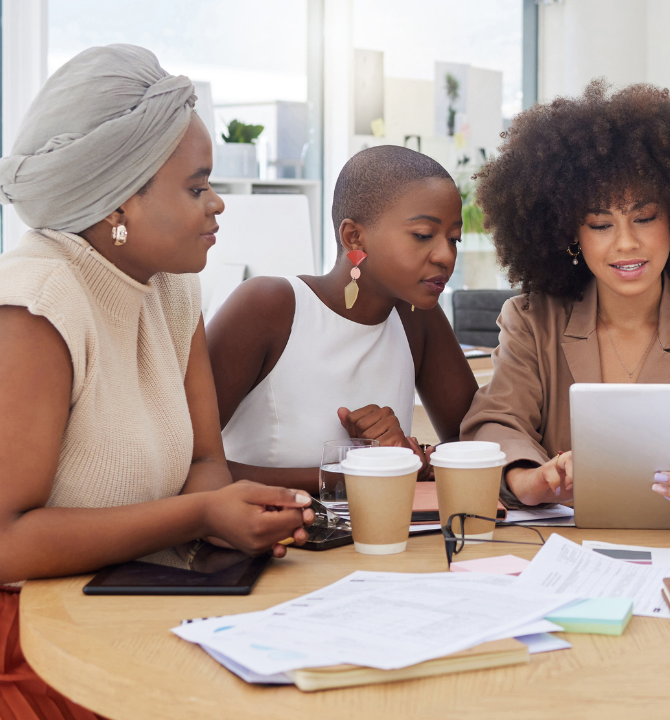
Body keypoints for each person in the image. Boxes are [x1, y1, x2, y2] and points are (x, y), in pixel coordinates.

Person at [0, 45, 312, 719]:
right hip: (34, 645)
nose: (217, 204)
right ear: (119, 200)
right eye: (197, 187)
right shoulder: (37, 304)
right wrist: (201, 515)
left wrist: (235, 530)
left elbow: (204, 459)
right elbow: (6, 540)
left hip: (140, 608)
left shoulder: (172, 286)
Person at [459, 80, 670, 532]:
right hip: (561, 555)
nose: (626, 243)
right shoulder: (532, 322)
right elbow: (496, 422)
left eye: (645, 218)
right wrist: (527, 479)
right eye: (600, 223)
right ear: (573, 232)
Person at [208, 146, 478, 492]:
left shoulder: (417, 316)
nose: (446, 256)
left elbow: (471, 442)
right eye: (424, 235)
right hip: (271, 543)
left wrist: (415, 458)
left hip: (381, 535)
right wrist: (348, 476)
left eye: (454, 239)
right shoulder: (267, 307)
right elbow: (183, 464)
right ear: (354, 237)